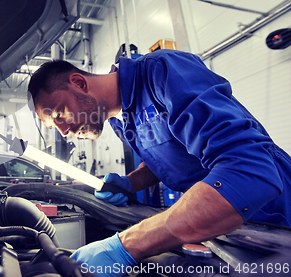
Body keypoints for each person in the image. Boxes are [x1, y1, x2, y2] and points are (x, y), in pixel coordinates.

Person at [27, 49, 291, 276]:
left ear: (78, 83)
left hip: (274, 213)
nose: (63, 131)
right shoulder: (121, 121)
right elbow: (165, 160)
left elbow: (250, 172)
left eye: (59, 113)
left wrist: (125, 245)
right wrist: (131, 182)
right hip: (222, 223)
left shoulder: (162, 72)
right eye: (54, 125)